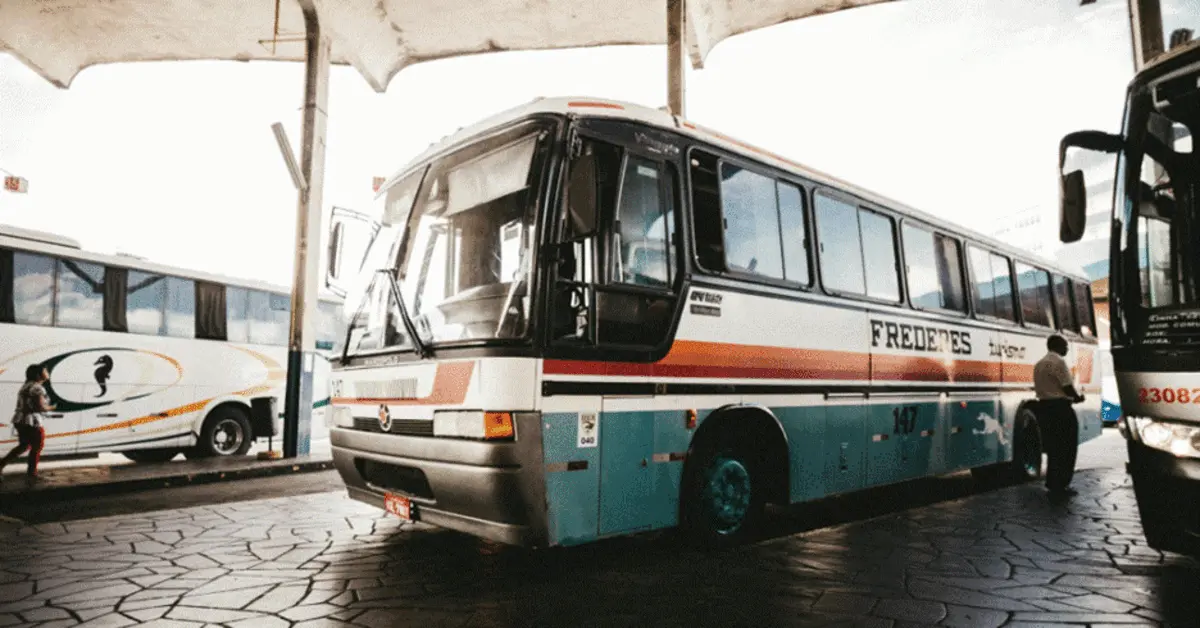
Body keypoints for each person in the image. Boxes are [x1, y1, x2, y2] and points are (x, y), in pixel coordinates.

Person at [1033, 334, 1085, 497]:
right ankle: (1062, 484)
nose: (1067, 349)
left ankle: (1052, 482)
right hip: (1060, 408)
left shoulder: (1039, 364)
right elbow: (1067, 386)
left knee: (1053, 448)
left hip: (1044, 408)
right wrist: (1077, 398)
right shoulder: (1059, 362)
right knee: (1066, 448)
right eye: (1065, 346)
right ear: (1058, 346)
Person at [0, 364, 54, 482]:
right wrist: (51, 408)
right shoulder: (37, 387)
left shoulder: (26, 386)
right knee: (37, 446)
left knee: (24, 446)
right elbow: (40, 407)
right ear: (38, 374)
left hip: (20, 420)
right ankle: (32, 473)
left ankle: (1, 464)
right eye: (45, 370)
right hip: (31, 421)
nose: (47, 372)